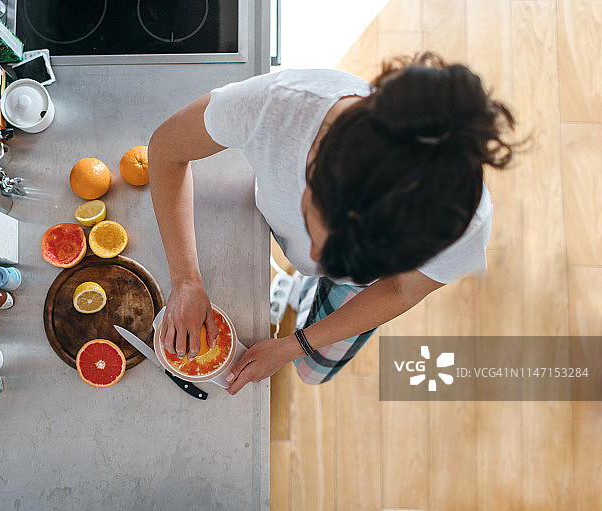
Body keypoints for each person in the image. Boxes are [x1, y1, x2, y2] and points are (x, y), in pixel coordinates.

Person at [148, 53, 516, 395]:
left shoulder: (460, 227)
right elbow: (165, 151)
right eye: (311, 224)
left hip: (367, 287)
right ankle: (302, 290)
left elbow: (402, 291)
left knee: (312, 370)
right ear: (319, 149)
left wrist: (293, 346)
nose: (309, 256)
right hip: (280, 217)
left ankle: (305, 293)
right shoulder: (274, 106)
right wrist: (185, 279)